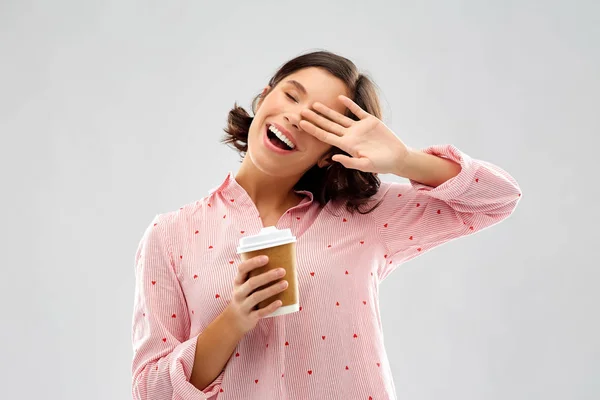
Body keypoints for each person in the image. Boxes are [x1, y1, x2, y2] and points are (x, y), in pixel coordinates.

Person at [131, 50, 522, 400]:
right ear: (264, 97)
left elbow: (498, 198)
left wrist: (404, 161)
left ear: (328, 154)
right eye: (291, 95)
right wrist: (234, 320)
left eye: (320, 120)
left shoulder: (366, 215)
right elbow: (150, 391)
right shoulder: (171, 235)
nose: (296, 118)